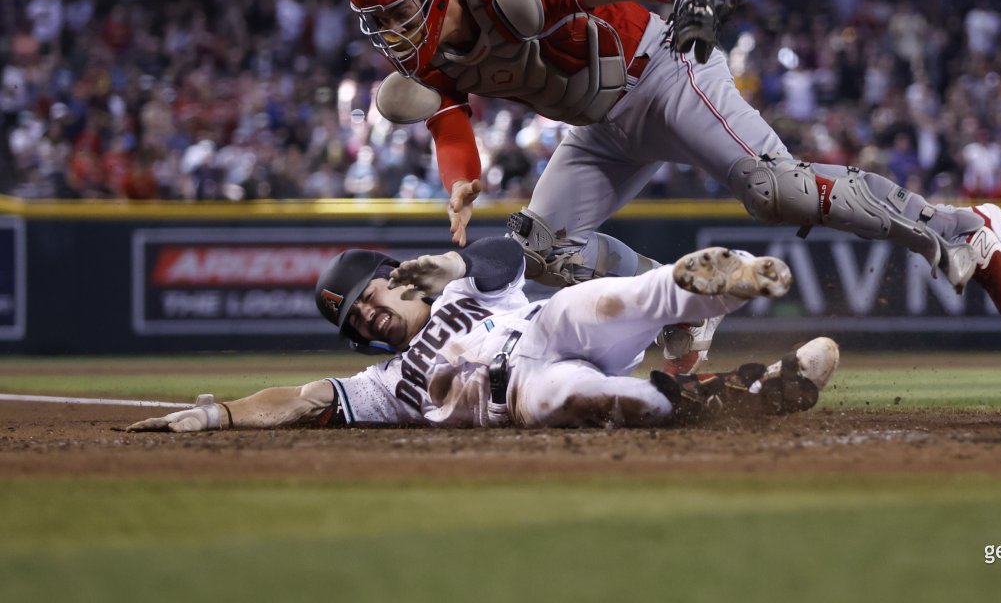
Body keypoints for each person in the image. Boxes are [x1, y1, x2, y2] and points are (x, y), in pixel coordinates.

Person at [349, 0, 1001, 373]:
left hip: (663, 71)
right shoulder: (431, 56)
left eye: (395, 12)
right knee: (539, 250)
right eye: (376, 21)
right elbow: (449, 123)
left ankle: (964, 230)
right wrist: (461, 180)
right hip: (600, 129)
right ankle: (685, 306)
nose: (388, 32)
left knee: (774, 190)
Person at [125, 237, 840, 432]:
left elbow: (504, 257)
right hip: (520, 388)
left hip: (539, 325)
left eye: (367, 298)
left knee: (591, 303)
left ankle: (728, 277)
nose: (370, 316)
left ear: (389, 276)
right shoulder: (383, 386)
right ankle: (734, 391)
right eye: (357, 321)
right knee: (573, 399)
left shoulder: (458, 281)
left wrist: (454, 262)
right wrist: (221, 412)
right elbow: (304, 396)